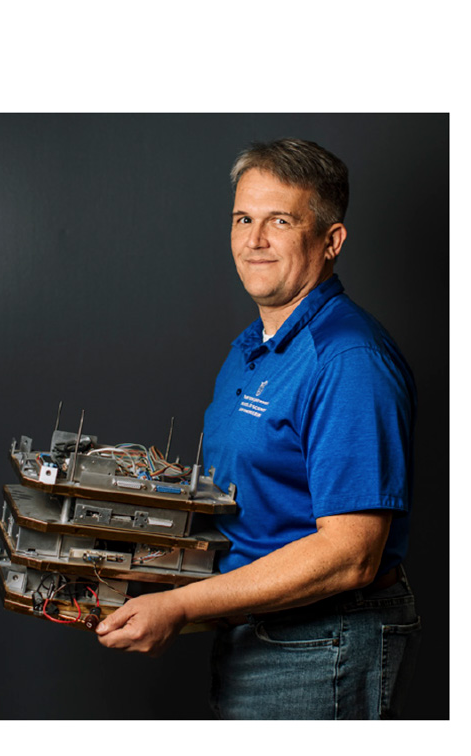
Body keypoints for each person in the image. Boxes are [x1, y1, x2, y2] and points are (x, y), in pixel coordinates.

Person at [96, 138, 420, 719]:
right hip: (257, 628)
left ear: (330, 240)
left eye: (280, 221)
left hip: (322, 644)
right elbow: (253, 505)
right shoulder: (255, 350)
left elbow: (352, 556)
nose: (254, 241)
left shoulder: (347, 360)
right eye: (243, 218)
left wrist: (181, 606)